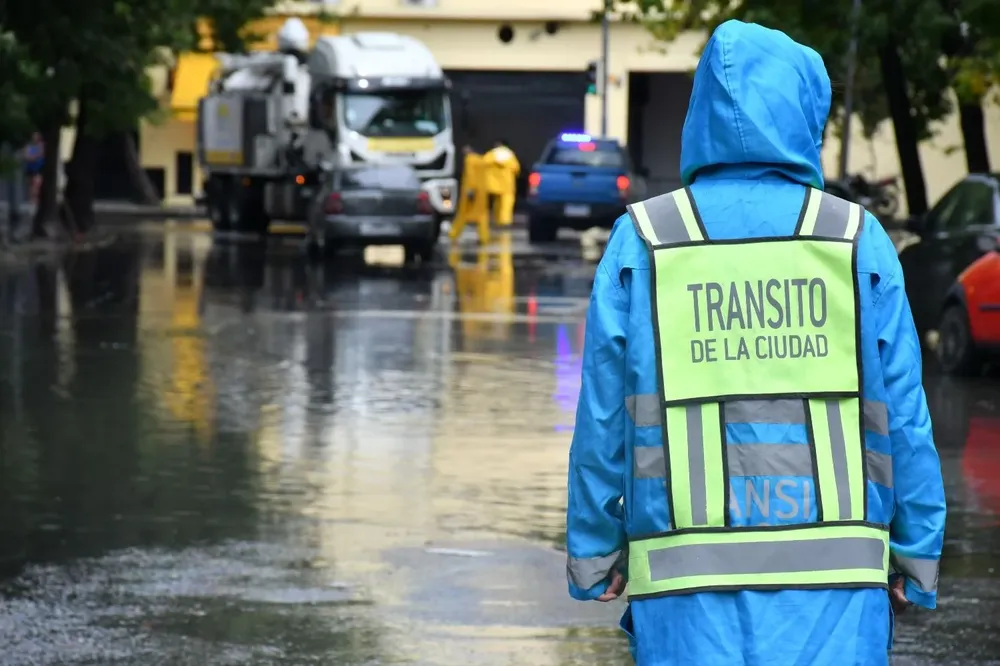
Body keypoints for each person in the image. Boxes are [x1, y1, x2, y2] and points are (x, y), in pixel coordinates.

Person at [565, 19, 946, 666]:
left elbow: (604, 410)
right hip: (839, 583)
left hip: (681, 580)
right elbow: (903, 414)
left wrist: (597, 552)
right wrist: (915, 553)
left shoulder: (646, 240)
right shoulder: (855, 241)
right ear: (805, 113)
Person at [482, 139, 519, 227]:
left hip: (494, 184)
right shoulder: (510, 155)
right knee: (507, 203)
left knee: (497, 202)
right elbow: (516, 168)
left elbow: (482, 164)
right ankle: (505, 221)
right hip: (507, 184)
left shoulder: (491, 154)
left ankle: (498, 220)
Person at [21, 132, 44, 205]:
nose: (35, 138)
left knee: (37, 184)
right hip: (30, 168)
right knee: (31, 185)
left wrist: (31, 157)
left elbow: (40, 154)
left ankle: (36, 199)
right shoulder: (29, 146)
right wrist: (32, 157)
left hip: (38, 168)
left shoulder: (41, 145)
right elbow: (26, 156)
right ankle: (32, 199)